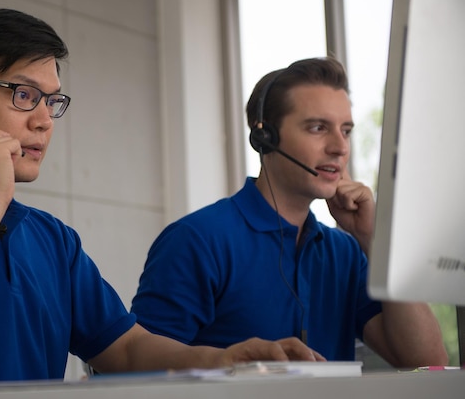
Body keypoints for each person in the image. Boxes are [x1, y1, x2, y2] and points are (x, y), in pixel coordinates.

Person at [0, 6, 320, 399]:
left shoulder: (52, 240)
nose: (45, 121)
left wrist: (223, 360)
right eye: (24, 95)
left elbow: (125, 351)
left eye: (52, 101)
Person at [131, 57, 448, 368]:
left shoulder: (346, 252)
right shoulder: (197, 241)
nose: (340, 147)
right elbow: (136, 367)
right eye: (318, 127)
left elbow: (427, 362)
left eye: (346, 130)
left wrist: (374, 238)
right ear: (265, 137)